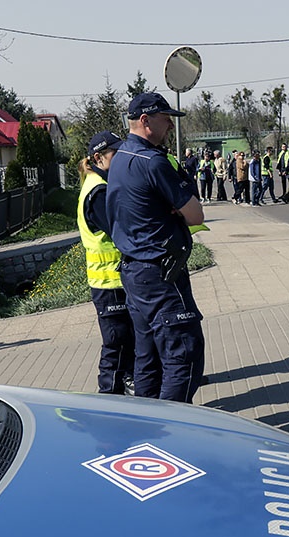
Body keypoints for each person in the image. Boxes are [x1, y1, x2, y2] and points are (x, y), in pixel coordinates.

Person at [104, 92, 206, 404]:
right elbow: (196, 214)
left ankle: (145, 426)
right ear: (146, 121)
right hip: (160, 272)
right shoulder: (153, 161)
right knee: (183, 354)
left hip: (134, 272)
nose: (170, 128)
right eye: (166, 120)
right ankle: (171, 432)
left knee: (147, 359)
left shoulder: (120, 158)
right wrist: (180, 200)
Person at [77, 131, 134, 395]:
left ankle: (126, 388)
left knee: (126, 339)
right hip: (109, 282)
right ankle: (108, 395)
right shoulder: (97, 191)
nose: (120, 158)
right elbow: (119, 230)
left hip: (115, 280)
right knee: (116, 341)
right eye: (115, 154)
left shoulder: (101, 185)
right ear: (98, 158)